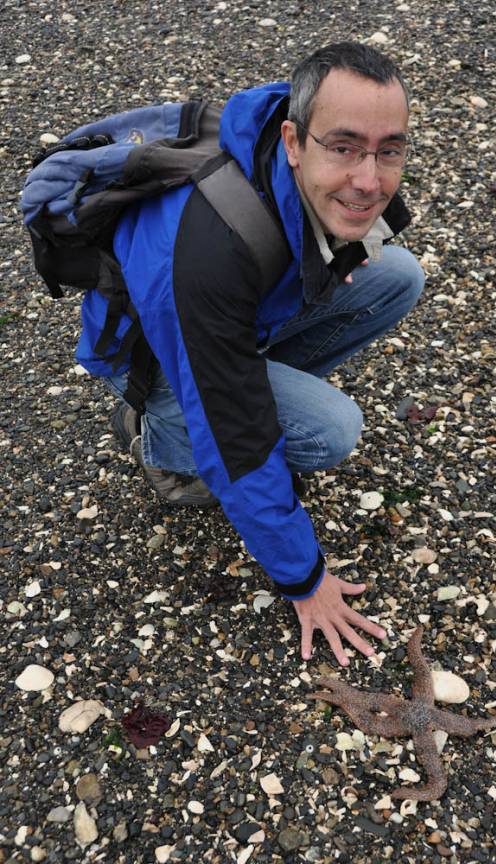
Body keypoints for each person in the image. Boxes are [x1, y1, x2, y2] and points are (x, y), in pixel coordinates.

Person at [76, 41, 424, 666]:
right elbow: (236, 432)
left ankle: (245, 385)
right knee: (331, 431)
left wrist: (340, 255)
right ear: (295, 140)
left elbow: (374, 219)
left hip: (226, 320)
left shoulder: (293, 152)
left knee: (398, 275)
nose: (370, 179)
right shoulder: (211, 249)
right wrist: (304, 579)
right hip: (150, 359)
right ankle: (153, 434)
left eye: (389, 150)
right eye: (343, 148)